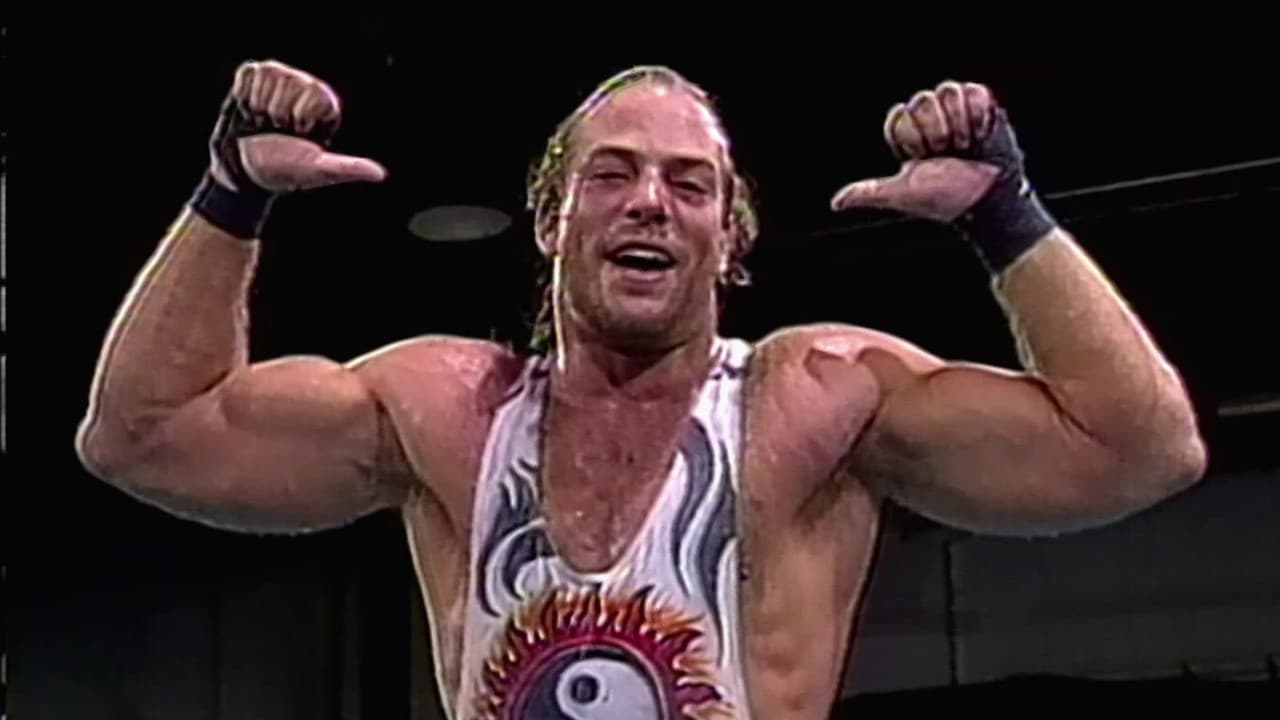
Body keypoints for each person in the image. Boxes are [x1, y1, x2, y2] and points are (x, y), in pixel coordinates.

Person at [76, 59, 1207, 720]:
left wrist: (1005, 216)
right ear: (552, 223)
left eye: (688, 183)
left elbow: (1142, 450)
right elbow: (143, 436)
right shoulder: (449, 412)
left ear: (730, 238)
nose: (649, 202)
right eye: (611, 175)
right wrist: (229, 195)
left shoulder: (809, 401)